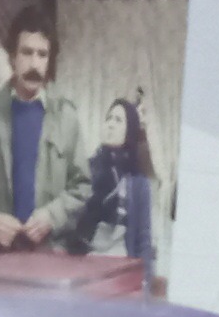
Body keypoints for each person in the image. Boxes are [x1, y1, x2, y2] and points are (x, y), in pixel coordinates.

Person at [0, 0, 89, 251]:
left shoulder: (66, 116)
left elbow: (82, 186)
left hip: (49, 255)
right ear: (12, 57)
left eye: (42, 54)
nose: (34, 64)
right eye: (26, 53)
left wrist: (52, 216)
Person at [61, 97, 156, 261]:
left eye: (118, 120)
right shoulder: (85, 169)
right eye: (109, 118)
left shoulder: (138, 183)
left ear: (130, 131)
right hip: (83, 262)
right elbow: (68, 222)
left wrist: (145, 275)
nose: (110, 124)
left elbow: (143, 240)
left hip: (121, 263)